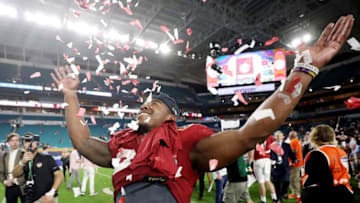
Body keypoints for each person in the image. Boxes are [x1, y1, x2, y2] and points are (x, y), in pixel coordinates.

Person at [50, 15, 354, 203]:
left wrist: (303, 70)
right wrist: (71, 96)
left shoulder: (186, 144)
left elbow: (250, 134)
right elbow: (84, 143)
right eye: (143, 103)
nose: (144, 106)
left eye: (153, 104)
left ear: (171, 117)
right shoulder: (123, 146)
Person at [301, 125, 354, 203]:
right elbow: (349, 173)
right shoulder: (342, 152)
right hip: (345, 193)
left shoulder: (317, 154)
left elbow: (316, 180)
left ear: (314, 137)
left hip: (325, 195)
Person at [12, 133, 64, 203]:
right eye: (26, 141)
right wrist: (22, 162)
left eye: (32, 141)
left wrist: (51, 193)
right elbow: (15, 174)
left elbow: (59, 175)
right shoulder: (22, 159)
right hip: (30, 197)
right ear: (23, 145)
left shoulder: (47, 158)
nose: (29, 143)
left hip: (47, 197)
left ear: (37, 144)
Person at [250, 136, 278, 203]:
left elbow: (252, 151)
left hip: (258, 160)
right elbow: (275, 148)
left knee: (261, 181)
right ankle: (274, 198)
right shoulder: (270, 136)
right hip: (267, 160)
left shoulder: (255, 137)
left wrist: (250, 161)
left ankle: (263, 200)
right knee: (268, 180)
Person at [271, 131, 296, 202]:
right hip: (275, 167)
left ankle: (284, 192)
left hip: (285, 166)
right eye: (277, 136)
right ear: (275, 137)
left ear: (283, 137)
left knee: (286, 181)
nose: (278, 137)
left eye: (280, 136)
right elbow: (270, 155)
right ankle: (279, 198)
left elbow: (291, 154)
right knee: (276, 183)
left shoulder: (286, 145)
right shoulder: (272, 146)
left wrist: (294, 160)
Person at [0, 133, 25, 203]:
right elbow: (1, 171)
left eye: (16, 140)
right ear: (8, 142)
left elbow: (28, 172)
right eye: (12, 140)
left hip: (22, 186)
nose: (14, 142)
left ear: (19, 142)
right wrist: (5, 181)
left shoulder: (24, 154)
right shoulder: (4, 155)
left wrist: (16, 180)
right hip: (9, 186)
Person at [288, 131, 303, 200]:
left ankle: (296, 194)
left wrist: (292, 162)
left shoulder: (293, 141)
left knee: (294, 179)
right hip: (298, 162)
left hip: (295, 163)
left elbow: (295, 151)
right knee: (294, 178)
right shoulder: (297, 141)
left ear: (291, 136)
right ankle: (295, 193)